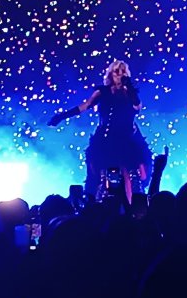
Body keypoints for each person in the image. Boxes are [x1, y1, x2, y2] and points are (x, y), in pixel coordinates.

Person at [48, 60, 152, 203]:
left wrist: (130, 88)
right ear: (111, 74)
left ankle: (132, 208)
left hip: (126, 141)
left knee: (133, 177)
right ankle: (94, 207)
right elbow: (85, 106)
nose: (119, 75)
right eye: (116, 71)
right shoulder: (102, 92)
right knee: (98, 176)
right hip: (105, 140)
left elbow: (137, 107)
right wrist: (61, 116)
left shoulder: (131, 93)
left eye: (122, 72)